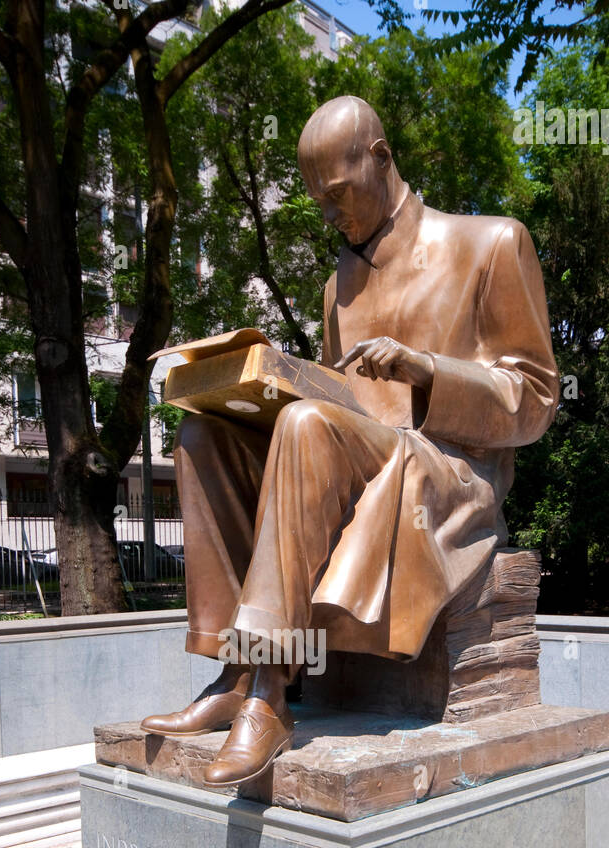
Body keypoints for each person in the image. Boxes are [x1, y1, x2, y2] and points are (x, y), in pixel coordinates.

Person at [141, 95, 559, 786]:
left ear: (380, 157)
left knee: (306, 425)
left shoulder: (490, 242)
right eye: (318, 202)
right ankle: (237, 664)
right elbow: (346, 401)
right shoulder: (340, 280)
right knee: (201, 434)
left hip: (444, 469)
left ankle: (269, 694)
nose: (330, 214)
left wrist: (429, 371)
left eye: (336, 194)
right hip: (354, 452)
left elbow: (535, 399)